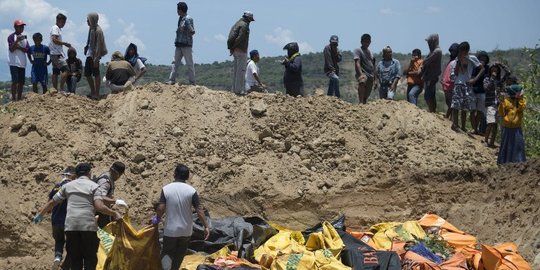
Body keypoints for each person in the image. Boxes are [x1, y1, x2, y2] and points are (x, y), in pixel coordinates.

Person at [32, 163, 124, 270]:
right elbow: (99, 207)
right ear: (89, 173)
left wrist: (40, 215)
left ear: (77, 174)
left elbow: (52, 202)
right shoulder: (94, 186)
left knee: (76, 259)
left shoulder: (67, 186)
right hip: (88, 227)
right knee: (90, 258)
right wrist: (114, 213)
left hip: (71, 227)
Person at [152, 164, 210, 270]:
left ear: (174, 174)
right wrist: (206, 226)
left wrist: (156, 220)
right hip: (186, 231)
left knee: (167, 253)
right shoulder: (191, 191)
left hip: (171, 230)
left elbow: (160, 208)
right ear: (187, 177)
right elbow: (199, 210)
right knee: (180, 253)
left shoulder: (166, 189)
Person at [450, 41, 484, 132]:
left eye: (462, 51)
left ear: (467, 51)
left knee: (465, 107)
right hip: (458, 83)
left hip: (468, 84)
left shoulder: (472, 58)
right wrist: (459, 61)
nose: (461, 53)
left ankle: (463, 126)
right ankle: (455, 124)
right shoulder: (457, 60)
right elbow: (456, 73)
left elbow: (482, 69)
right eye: (460, 51)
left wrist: (475, 79)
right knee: (456, 105)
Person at [47, 166, 76, 269]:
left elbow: (50, 203)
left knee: (59, 240)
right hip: (68, 220)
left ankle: (58, 257)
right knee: (71, 242)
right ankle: (67, 264)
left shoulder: (56, 187)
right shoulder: (72, 187)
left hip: (55, 220)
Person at [497, 75, 526, 164]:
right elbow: (501, 113)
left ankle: (518, 162)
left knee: (517, 146)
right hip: (507, 127)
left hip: (516, 127)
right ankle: (504, 162)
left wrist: (519, 98)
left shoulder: (521, 101)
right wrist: (501, 102)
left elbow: (522, 107)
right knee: (507, 145)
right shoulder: (506, 101)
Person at [166, 2, 195, 86]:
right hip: (179, 44)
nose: (177, 11)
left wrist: (187, 27)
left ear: (181, 10)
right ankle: (171, 80)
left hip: (186, 45)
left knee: (189, 63)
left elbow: (192, 31)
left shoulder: (187, 19)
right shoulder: (181, 18)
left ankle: (192, 82)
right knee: (175, 63)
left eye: (178, 9)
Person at [483, 63, 510, 148]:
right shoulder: (487, 79)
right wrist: (492, 78)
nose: (494, 71)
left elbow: (508, 72)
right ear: (490, 70)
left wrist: (501, 64)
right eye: (493, 69)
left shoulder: (500, 81)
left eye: (496, 69)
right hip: (491, 103)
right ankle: (485, 141)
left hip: (499, 104)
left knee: (495, 125)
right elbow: (486, 88)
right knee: (490, 122)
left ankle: (492, 142)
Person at [227, 11, 255, 95]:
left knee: (236, 71)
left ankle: (234, 89)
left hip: (235, 50)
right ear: (248, 18)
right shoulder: (244, 25)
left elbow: (231, 36)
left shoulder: (237, 23)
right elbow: (240, 38)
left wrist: (231, 48)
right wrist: (235, 46)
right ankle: (238, 91)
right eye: (250, 19)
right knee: (241, 71)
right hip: (241, 50)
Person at [94, 161, 127, 228]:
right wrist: (116, 201)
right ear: (117, 174)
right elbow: (101, 197)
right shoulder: (105, 182)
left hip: (104, 211)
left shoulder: (110, 178)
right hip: (99, 212)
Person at [84, 12, 108, 100]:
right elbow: (89, 41)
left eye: (88, 19)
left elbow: (99, 45)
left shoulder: (98, 30)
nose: (87, 21)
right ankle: (93, 91)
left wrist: (96, 59)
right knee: (87, 73)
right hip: (89, 54)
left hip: (95, 55)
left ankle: (97, 93)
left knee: (96, 73)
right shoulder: (91, 28)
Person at [7, 19, 30, 101]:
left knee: (21, 82)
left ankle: (19, 99)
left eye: (22, 26)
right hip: (13, 62)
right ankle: (13, 98)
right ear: (15, 27)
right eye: (20, 26)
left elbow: (27, 49)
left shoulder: (25, 38)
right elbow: (12, 49)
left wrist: (19, 47)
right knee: (15, 81)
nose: (21, 28)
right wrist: (17, 41)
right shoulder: (11, 37)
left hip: (22, 63)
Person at [49, 13, 71, 92]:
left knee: (55, 72)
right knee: (66, 70)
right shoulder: (55, 28)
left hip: (53, 53)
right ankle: (61, 89)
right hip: (56, 53)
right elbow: (54, 40)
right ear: (58, 20)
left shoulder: (55, 28)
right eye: (63, 22)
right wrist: (64, 43)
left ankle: (55, 90)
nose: (64, 24)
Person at [421, 33, 443, 112]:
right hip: (430, 76)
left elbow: (426, 61)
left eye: (429, 42)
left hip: (431, 76)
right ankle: (433, 111)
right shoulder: (433, 51)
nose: (428, 44)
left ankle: (432, 111)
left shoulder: (437, 51)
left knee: (427, 96)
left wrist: (424, 62)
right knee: (431, 96)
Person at [470, 51, 490, 134]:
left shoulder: (487, 68)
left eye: (484, 58)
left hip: (482, 92)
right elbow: (472, 78)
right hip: (473, 91)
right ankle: (474, 129)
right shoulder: (475, 67)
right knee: (472, 111)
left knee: (479, 111)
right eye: (481, 58)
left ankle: (476, 129)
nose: (483, 60)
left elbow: (487, 78)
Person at [354, 34, 375, 104]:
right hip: (363, 72)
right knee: (362, 82)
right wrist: (360, 74)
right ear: (361, 42)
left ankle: (364, 102)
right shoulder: (358, 50)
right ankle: (360, 102)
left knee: (368, 91)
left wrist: (375, 78)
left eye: (368, 42)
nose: (366, 43)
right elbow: (357, 62)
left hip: (370, 74)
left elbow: (373, 65)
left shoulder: (371, 53)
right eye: (365, 41)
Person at [442, 43, 459, 119]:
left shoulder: (457, 61)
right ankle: (450, 118)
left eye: (454, 51)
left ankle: (448, 118)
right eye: (451, 51)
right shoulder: (451, 61)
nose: (452, 53)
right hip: (446, 85)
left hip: (452, 85)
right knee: (448, 103)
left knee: (452, 104)